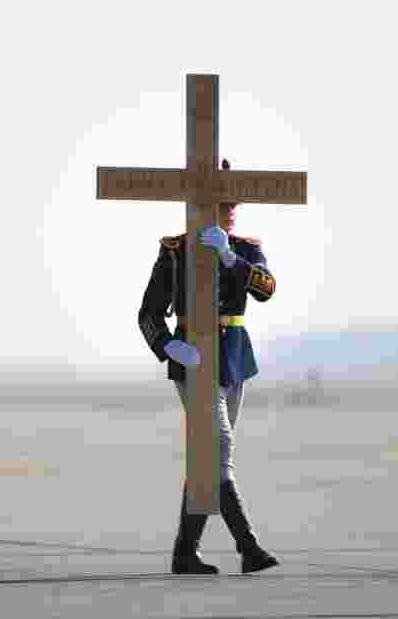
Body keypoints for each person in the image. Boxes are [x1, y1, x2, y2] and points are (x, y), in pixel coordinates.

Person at [138, 159, 280, 575]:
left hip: (233, 359)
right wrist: (168, 346)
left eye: (234, 202)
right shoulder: (175, 250)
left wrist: (230, 257)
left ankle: (185, 552)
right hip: (194, 361)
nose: (232, 208)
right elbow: (147, 313)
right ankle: (248, 547)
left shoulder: (246, 247)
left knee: (207, 458)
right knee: (218, 452)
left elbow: (268, 289)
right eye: (223, 201)